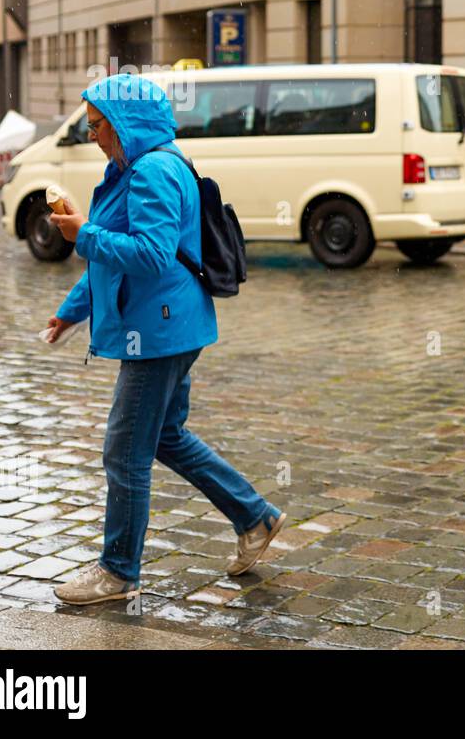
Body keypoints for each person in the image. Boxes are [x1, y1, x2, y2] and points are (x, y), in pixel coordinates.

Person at [44, 72, 285, 605]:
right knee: (166, 437)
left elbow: (150, 256)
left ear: (125, 124)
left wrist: (81, 233)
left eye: (98, 125)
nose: (93, 136)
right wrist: (70, 312)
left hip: (158, 331)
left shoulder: (153, 171)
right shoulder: (131, 167)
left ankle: (118, 571)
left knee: (124, 451)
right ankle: (254, 516)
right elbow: (112, 261)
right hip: (169, 325)